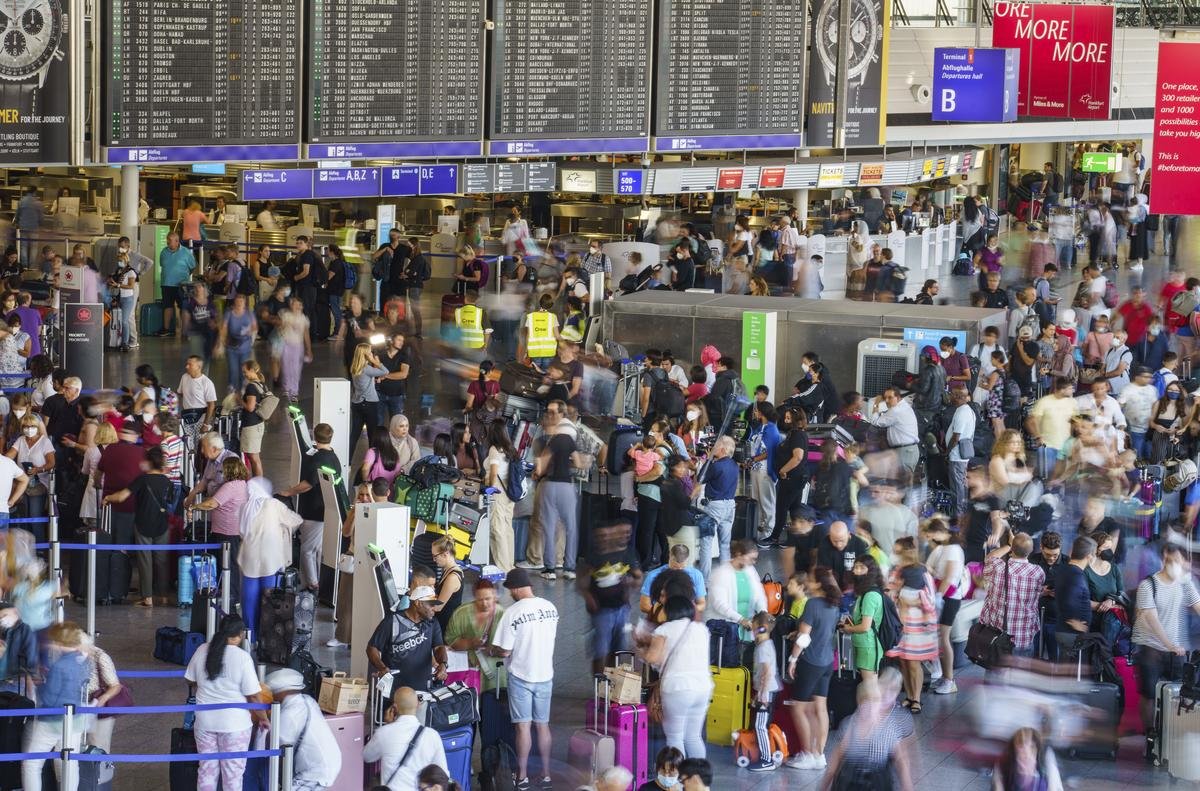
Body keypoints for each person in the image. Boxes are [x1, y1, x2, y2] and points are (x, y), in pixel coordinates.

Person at [491, 568, 560, 790]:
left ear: (517, 588)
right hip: (545, 675)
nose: (510, 593)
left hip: (521, 676)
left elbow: (504, 651)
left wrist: (491, 649)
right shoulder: (551, 608)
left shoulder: (512, 613)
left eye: (510, 589)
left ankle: (521, 776)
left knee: (523, 727)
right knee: (543, 726)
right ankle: (547, 774)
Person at [185, 615, 268, 791]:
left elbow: (190, 680)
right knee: (233, 777)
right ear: (240, 634)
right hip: (234, 726)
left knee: (206, 771)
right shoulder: (243, 658)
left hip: (204, 722)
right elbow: (253, 696)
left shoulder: (202, 650)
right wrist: (263, 718)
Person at [1132, 541, 1200, 732]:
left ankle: (1170, 735)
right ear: (1164, 559)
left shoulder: (1184, 583)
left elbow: (1198, 605)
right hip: (1150, 647)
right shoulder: (1148, 585)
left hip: (1175, 650)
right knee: (1149, 695)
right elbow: (1151, 620)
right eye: (1175, 561)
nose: (1180, 565)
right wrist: (1169, 644)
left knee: (1178, 693)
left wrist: (1173, 647)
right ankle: (1150, 735)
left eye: (1181, 561)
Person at [20, 622, 90, 791]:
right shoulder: (83, 661)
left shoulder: (60, 665)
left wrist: (39, 685)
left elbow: (50, 697)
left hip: (52, 721)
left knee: (32, 763)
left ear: (61, 643)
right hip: (76, 719)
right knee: (68, 763)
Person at [101, 446, 173, 607]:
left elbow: (121, 497)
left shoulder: (142, 479)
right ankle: (163, 596)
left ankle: (147, 598)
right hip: (163, 525)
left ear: (148, 462)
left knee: (145, 561)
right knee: (162, 562)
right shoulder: (168, 481)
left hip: (143, 524)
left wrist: (108, 498)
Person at [822, 668, 915, 791]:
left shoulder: (889, 728)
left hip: (877, 780)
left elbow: (901, 760)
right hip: (849, 780)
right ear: (859, 703)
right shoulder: (849, 724)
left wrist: (907, 785)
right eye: (866, 703)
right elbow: (836, 757)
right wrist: (825, 784)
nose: (871, 708)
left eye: (875, 702)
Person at [644, 595, 711, 759]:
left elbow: (653, 658)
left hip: (677, 688)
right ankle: (699, 780)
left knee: (675, 737)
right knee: (693, 737)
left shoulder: (664, 630)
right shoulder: (702, 629)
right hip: (703, 688)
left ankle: (677, 782)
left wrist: (641, 648)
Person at [278, 423, 340, 593]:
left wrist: (288, 492)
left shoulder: (318, 459)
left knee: (307, 549)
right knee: (317, 549)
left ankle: (313, 583)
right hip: (325, 509)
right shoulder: (333, 457)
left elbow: (307, 484)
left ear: (315, 436)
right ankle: (313, 580)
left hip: (314, 510)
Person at [238, 476, 301, 642]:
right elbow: (296, 520)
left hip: (249, 557)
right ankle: (266, 636)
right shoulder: (274, 505)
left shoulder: (245, 506)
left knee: (249, 598)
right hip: (270, 558)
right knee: (270, 599)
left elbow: (241, 531)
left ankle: (249, 636)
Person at [579, 519, 641, 674]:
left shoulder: (627, 553)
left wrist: (630, 582)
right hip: (602, 611)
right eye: (600, 536)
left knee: (618, 649)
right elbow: (581, 580)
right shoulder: (593, 556)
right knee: (601, 649)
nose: (604, 539)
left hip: (622, 608)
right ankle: (599, 685)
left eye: (628, 532)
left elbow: (638, 577)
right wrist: (588, 596)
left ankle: (611, 684)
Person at [262, 669, 341, 789]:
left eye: (272, 693)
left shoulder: (290, 714)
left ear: (282, 692)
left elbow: (273, 745)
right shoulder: (307, 700)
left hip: (313, 774)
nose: (271, 697)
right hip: (328, 764)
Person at [886, 540, 938, 715]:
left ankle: (916, 698)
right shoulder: (896, 571)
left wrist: (911, 600)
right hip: (900, 622)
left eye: (898, 551)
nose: (895, 554)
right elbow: (889, 590)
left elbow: (931, 598)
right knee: (904, 661)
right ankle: (909, 695)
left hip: (917, 624)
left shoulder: (922, 572)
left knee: (914, 662)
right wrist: (897, 595)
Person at [362, 685, 448, 791]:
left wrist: (388, 726)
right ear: (418, 704)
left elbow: (367, 756)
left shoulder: (383, 733)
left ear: (394, 707)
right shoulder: (432, 735)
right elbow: (443, 773)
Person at [366, 585, 448, 692]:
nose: (434, 609)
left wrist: (443, 663)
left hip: (422, 689)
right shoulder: (392, 621)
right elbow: (372, 648)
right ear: (418, 603)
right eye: (431, 605)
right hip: (394, 689)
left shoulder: (432, 623)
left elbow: (438, 647)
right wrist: (382, 667)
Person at [531, 401, 578, 580]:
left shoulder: (553, 438)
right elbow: (579, 462)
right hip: (567, 484)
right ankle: (569, 567)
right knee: (570, 527)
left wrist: (537, 471)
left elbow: (541, 465)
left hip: (550, 484)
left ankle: (549, 568)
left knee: (548, 527)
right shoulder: (569, 438)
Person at [978, 533, 1045, 658]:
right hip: (1024, 634)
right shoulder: (1038, 572)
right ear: (1031, 551)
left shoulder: (998, 568)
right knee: (1021, 674)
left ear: (1012, 549)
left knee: (994, 673)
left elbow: (990, 557)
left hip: (997, 634)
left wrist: (1009, 545)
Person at [444, 579, 507, 693]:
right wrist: (470, 643)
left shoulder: (503, 614)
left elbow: (508, 646)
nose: (484, 603)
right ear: (474, 597)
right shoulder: (461, 613)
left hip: (495, 672)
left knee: (493, 701)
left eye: (488, 599)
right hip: (468, 670)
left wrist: (494, 651)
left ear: (495, 596)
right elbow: (450, 640)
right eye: (480, 599)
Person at [707, 539, 767, 653]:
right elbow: (719, 604)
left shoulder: (750, 570)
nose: (754, 562)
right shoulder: (721, 573)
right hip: (726, 629)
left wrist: (763, 613)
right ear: (739, 554)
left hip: (747, 629)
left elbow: (760, 595)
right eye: (751, 558)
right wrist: (741, 620)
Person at [483, 421, 518, 571]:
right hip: (509, 491)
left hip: (497, 489)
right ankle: (510, 564)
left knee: (497, 528)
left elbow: (494, 472)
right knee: (507, 528)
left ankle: (503, 567)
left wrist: (490, 488)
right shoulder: (510, 449)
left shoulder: (494, 449)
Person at [1054, 535, 1096, 657]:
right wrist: (1074, 621)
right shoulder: (1076, 575)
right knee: (1071, 673)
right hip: (1072, 634)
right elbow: (1069, 600)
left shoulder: (1064, 570)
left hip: (1064, 630)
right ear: (1089, 556)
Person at [992, 727, 1063, 791]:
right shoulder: (1004, 772)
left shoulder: (1044, 774)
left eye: (1031, 746)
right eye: (1021, 745)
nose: (1026, 751)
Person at [214, 293, 257, 392]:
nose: (239, 304)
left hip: (245, 346)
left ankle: (243, 388)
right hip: (231, 345)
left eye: (241, 301)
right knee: (233, 370)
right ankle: (232, 388)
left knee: (244, 369)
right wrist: (220, 343)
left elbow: (254, 327)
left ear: (244, 303)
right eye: (237, 301)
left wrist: (249, 331)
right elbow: (224, 328)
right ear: (234, 302)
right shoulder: (229, 313)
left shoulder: (249, 313)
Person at [349, 343, 388, 447]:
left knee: (355, 434)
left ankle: (347, 461)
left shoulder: (354, 367)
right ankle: (372, 460)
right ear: (366, 355)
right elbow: (385, 371)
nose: (372, 353)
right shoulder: (367, 369)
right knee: (372, 435)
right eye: (370, 352)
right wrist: (374, 361)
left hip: (356, 403)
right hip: (369, 403)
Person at [159, 232, 196, 336]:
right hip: (167, 283)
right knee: (167, 306)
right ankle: (166, 329)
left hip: (182, 285)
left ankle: (185, 331)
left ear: (177, 241)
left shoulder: (186, 252)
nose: (168, 243)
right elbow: (162, 264)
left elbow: (193, 266)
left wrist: (184, 275)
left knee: (184, 307)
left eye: (170, 241)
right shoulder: (164, 252)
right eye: (167, 240)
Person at [278, 294, 312, 403]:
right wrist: (285, 325)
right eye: (294, 304)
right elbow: (280, 329)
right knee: (286, 367)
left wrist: (309, 349)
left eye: (299, 305)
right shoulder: (286, 315)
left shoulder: (303, 319)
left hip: (298, 346)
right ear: (291, 305)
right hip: (286, 344)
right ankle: (287, 388)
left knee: (296, 369)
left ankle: (294, 391)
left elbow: (306, 335)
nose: (297, 307)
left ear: (301, 306)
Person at [239, 360, 269, 478]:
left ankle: (257, 484)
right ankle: (258, 484)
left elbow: (250, 407)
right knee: (254, 457)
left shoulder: (251, 386)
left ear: (252, 370)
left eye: (245, 372)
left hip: (251, 425)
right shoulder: (262, 384)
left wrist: (239, 399)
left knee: (253, 458)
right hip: (258, 424)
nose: (244, 374)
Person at [377, 330, 412, 420]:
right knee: (378, 422)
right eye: (399, 340)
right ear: (392, 341)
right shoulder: (381, 354)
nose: (401, 343)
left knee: (396, 423)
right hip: (381, 393)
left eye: (402, 341)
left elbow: (403, 374)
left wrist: (385, 375)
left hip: (397, 395)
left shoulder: (404, 356)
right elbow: (376, 370)